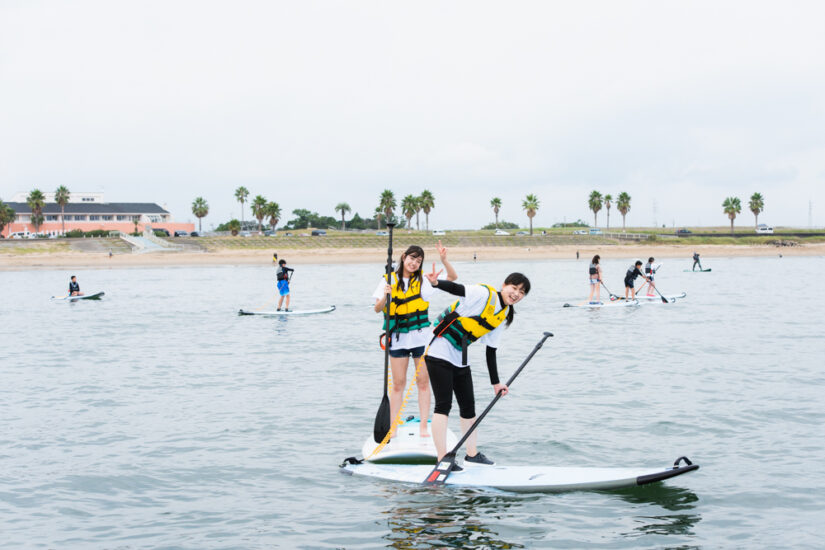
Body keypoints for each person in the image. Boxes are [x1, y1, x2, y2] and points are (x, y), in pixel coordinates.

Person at [424, 272, 531, 469]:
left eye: (522, 292)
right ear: (504, 284)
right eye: (514, 288)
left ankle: (471, 454)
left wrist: (496, 383)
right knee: (443, 406)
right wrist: (436, 283)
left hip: (459, 356)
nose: (516, 294)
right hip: (438, 349)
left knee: (469, 408)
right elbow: (458, 289)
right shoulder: (483, 294)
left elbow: (491, 350)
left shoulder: (503, 314)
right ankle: (442, 459)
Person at [372, 242, 457, 438]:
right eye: (412, 258)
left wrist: (444, 260)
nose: (414, 263)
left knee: (423, 383)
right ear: (403, 257)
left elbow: (453, 278)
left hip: (421, 339)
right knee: (398, 384)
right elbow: (377, 308)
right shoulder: (388, 280)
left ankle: (423, 428)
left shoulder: (425, 281)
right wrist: (386, 295)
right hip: (398, 339)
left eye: (418, 261)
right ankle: (392, 427)